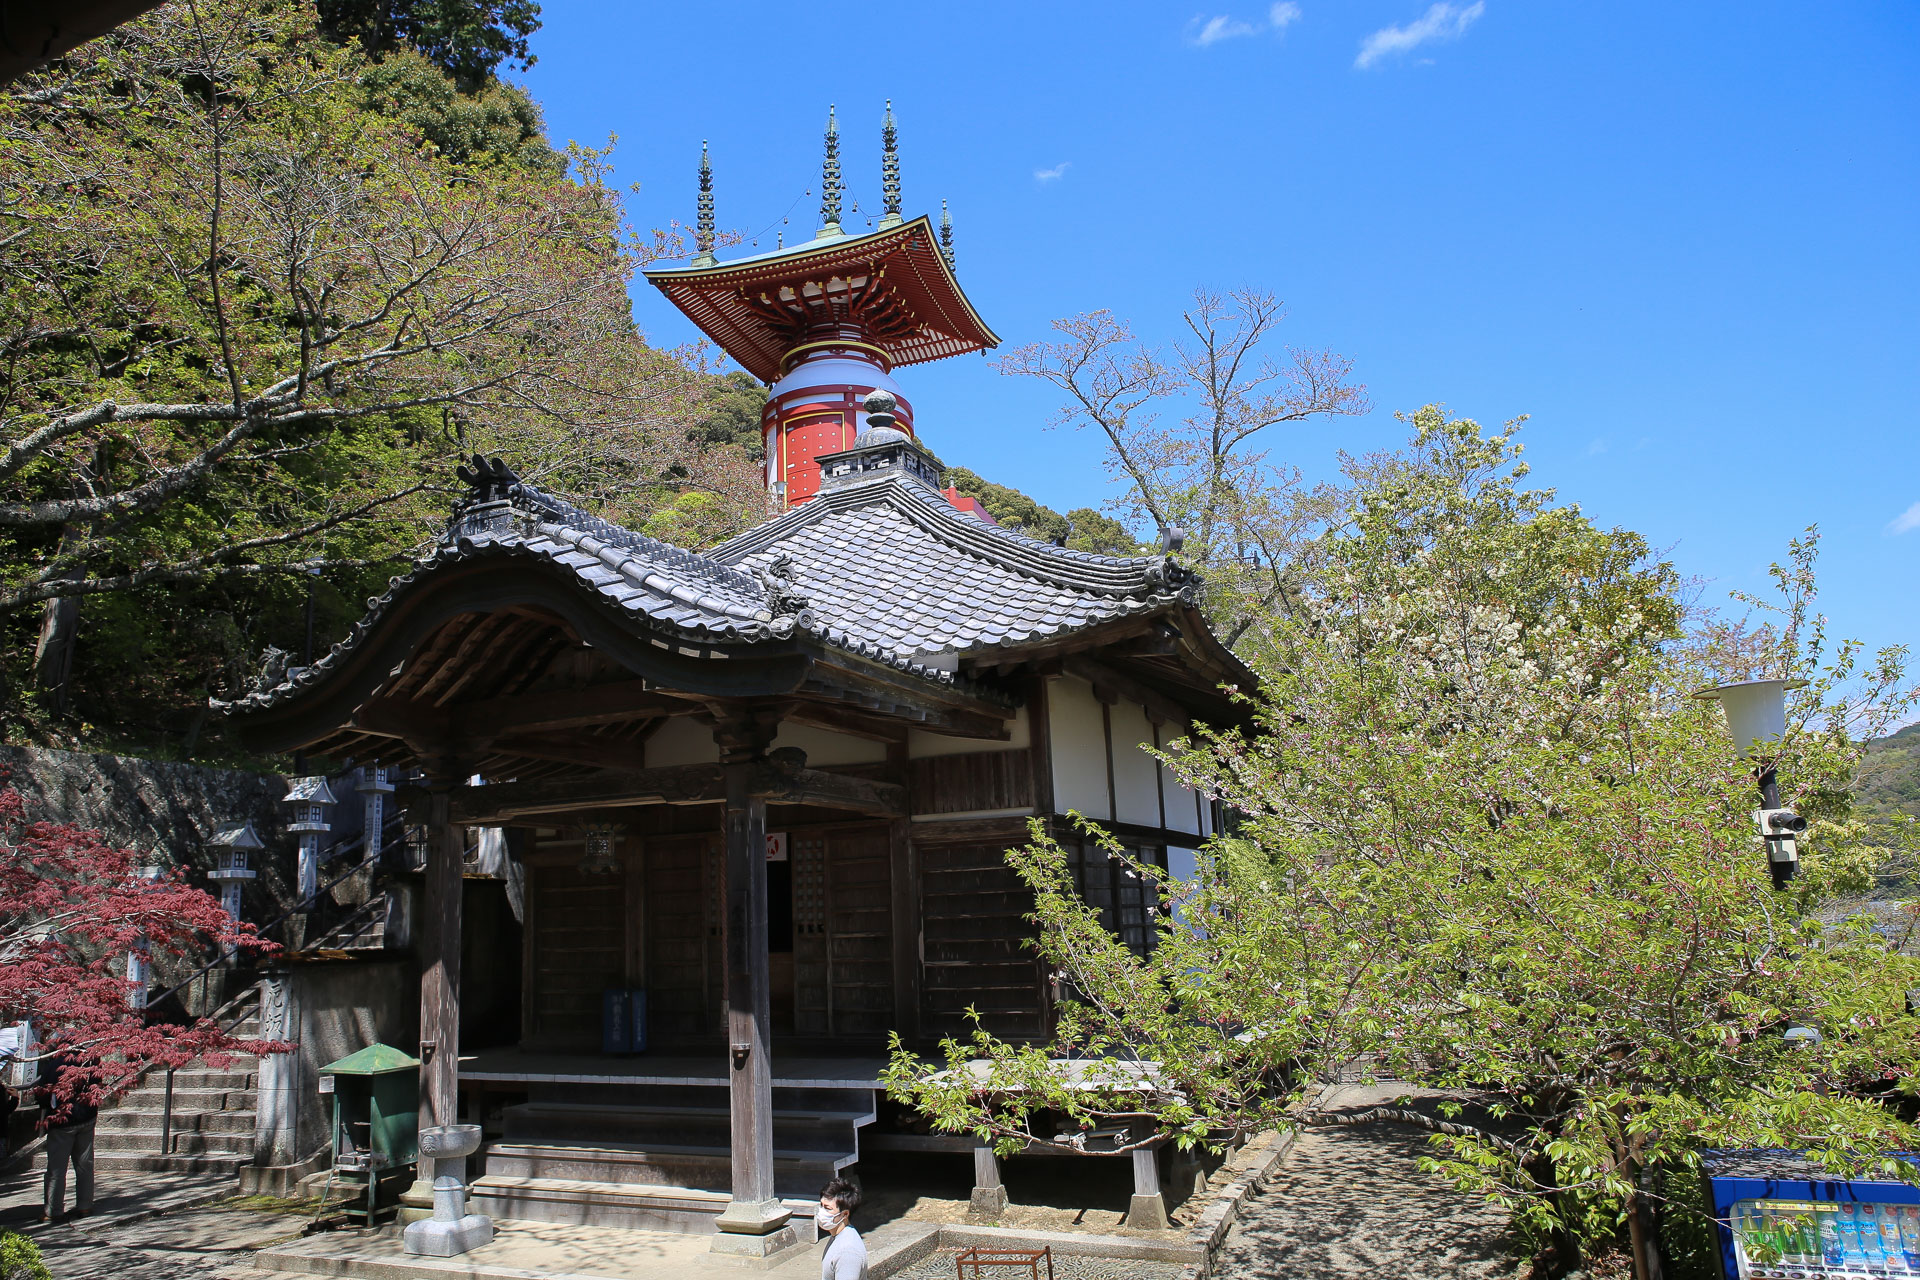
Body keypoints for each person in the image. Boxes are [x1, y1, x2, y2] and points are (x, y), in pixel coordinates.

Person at [35, 1049, 97, 1224]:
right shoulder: (90, 1061)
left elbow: (42, 1093)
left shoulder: (54, 1065)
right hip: (87, 1116)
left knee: (56, 1168)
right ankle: (85, 1205)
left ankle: (53, 1210)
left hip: (62, 1121)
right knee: (84, 1164)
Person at [817, 1178, 867, 1280]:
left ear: (844, 1214)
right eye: (821, 1205)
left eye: (828, 1208)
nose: (822, 1212)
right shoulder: (838, 1236)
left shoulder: (847, 1253)